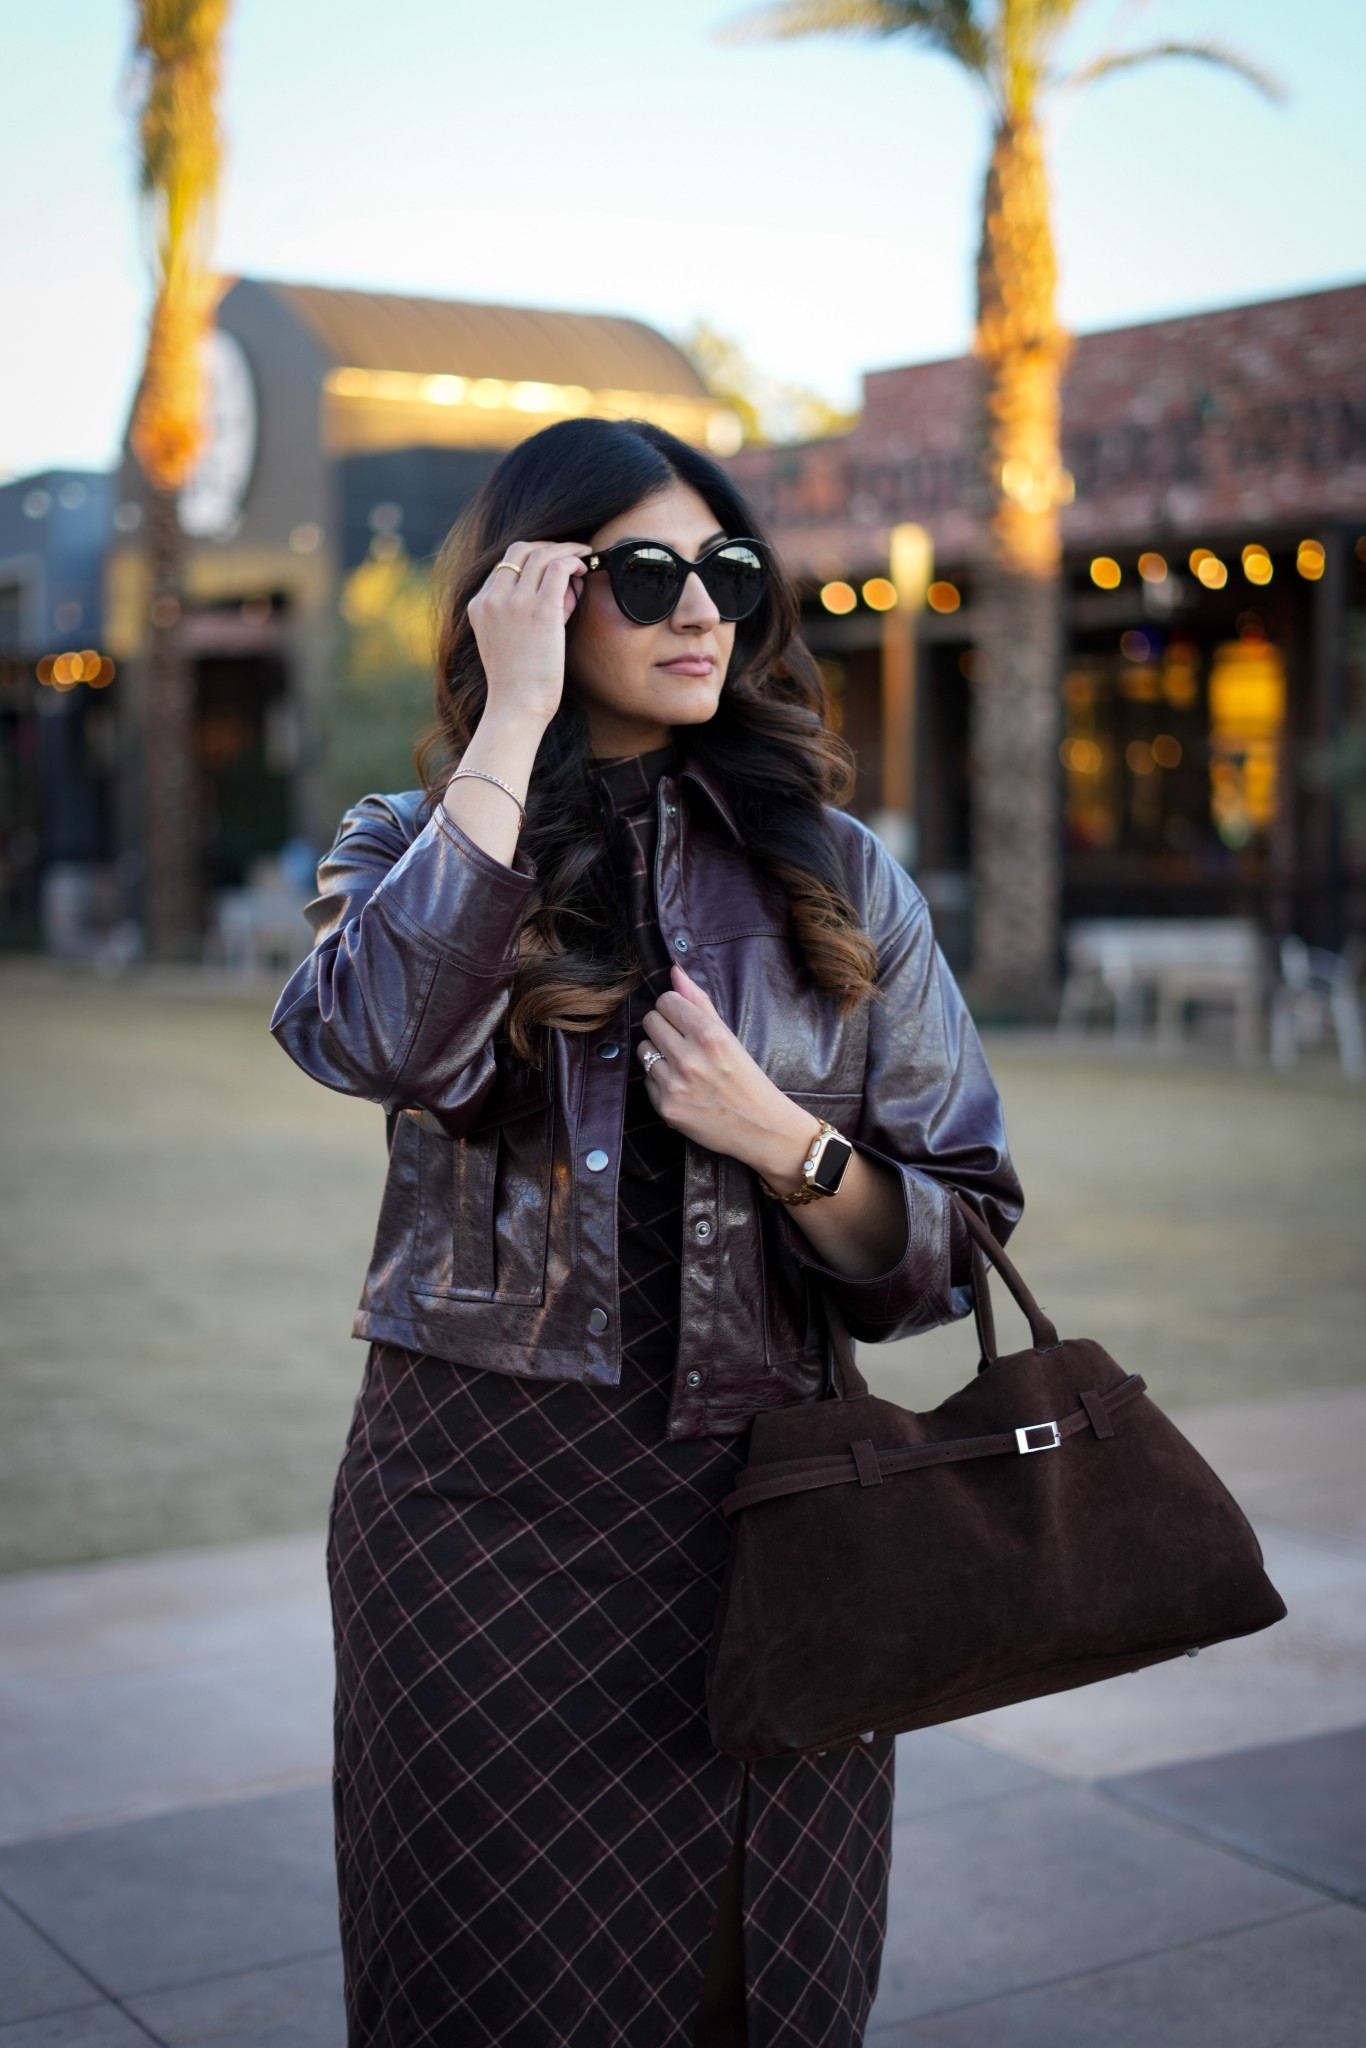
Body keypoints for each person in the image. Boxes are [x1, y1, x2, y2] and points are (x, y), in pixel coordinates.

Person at [271, 416, 1023, 2048]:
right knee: (475, 1989)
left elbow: (951, 1240)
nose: (703, 611)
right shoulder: (405, 845)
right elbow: (376, 1039)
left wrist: (782, 1139)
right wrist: (517, 716)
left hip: (772, 1514)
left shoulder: (835, 872)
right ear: (533, 595)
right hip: (470, 1524)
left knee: (756, 1993)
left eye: (729, 574)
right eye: (646, 573)